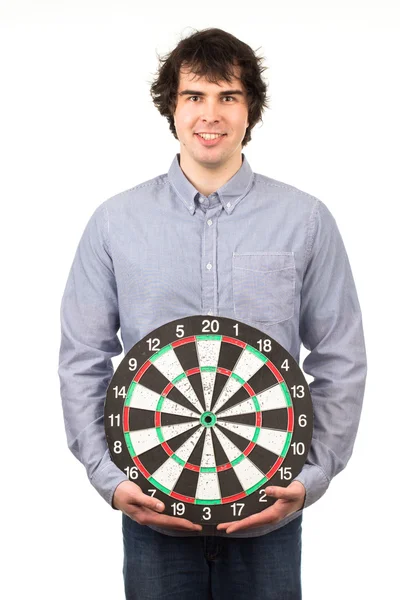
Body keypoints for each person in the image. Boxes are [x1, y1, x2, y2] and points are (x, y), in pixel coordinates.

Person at [58, 27, 367, 600]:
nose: (211, 114)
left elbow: (341, 356)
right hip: (151, 502)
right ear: (170, 107)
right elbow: (83, 358)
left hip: (271, 504)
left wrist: (312, 476)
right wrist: (106, 478)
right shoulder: (114, 222)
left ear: (251, 108)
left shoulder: (306, 220)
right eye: (194, 95)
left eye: (228, 96)